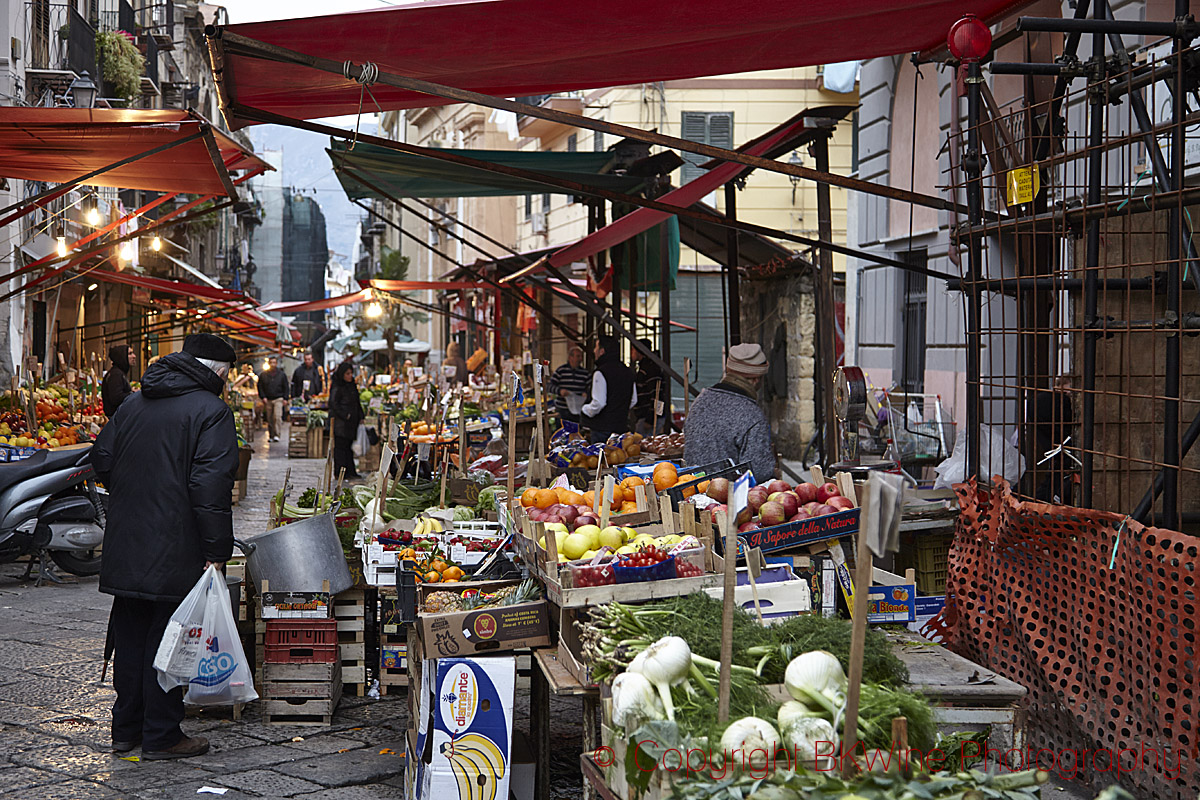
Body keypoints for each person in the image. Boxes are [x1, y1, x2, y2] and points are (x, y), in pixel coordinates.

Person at [90, 333, 239, 761]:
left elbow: (102, 456)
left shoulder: (135, 402)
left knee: (131, 635)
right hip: (177, 545)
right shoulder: (212, 412)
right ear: (217, 372)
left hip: (128, 539)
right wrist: (216, 550)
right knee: (170, 640)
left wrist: (134, 497)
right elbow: (209, 487)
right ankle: (161, 735)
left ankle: (126, 730)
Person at [683, 343, 777, 483]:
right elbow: (759, 472)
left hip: (691, 491)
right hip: (728, 499)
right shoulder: (752, 415)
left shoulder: (700, 401)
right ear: (756, 379)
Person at [581, 334, 637, 444]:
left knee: (602, 460)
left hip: (602, 430)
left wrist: (585, 409)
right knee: (619, 459)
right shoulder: (627, 371)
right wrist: (619, 409)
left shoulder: (600, 372)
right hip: (621, 427)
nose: (594, 350)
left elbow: (599, 403)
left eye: (596, 347)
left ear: (602, 351)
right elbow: (634, 400)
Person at [329, 361, 365, 479]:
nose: (350, 376)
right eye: (347, 374)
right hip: (341, 423)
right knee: (340, 448)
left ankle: (350, 471)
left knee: (348, 447)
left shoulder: (351, 385)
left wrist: (360, 416)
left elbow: (356, 401)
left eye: (351, 373)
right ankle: (340, 472)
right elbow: (334, 403)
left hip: (351, 423)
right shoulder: (337, 385)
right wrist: (346, 415)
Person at [549, 344, 591, 425]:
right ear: (570, 357)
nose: (581, 359)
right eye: (578, 356)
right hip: (562, 410)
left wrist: (586, 394)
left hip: (578, 412)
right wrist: (560, 391)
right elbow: (549, 386)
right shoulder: (561, 371)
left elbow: (591, 388)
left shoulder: (585, 373)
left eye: (581, 356)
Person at [631, 338, 666, 436]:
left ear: (639, 351)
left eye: (633, 349)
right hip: (645, 417)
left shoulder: (651, 369)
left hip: (648, 418)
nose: (631, 352)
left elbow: (658, 394)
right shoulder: (645, 368)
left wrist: (651, 419)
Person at [257, 356, 289, 442]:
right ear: (269, 364)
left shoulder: (281, 374)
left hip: (278, 398)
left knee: (277, 416)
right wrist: (263, 397)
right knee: (269, 418)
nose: (273, 364)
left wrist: (286, 398)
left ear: (277, 363)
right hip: (268, 399)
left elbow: (286, 387)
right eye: (271, 363)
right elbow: (260, 387)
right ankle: (271, 435)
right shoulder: (263, 375)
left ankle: (277, 434)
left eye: (274, 363)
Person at [102, 344, 135, 417]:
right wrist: (133, 393)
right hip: (116, 418)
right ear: (122, 356)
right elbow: (116, 398)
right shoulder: (116, 375)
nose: (134, 356)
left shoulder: (119, 373)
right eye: (130, 353)